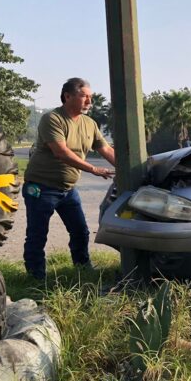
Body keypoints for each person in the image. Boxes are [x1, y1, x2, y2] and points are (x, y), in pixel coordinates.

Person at [22, 77, 116, 280]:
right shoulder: (53, 118)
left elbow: (106, 149)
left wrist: (130, 168)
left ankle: (82, 268)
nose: (89, 101)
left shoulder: (89, 123)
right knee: (37, 234)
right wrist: (93, 169)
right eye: (84, 96)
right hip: (41, 187)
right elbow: (61, 152)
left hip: (67, 189)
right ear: (67, 96)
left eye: (90, 97)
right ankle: (36, 277)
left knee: (80, 231)